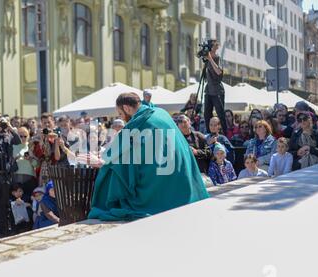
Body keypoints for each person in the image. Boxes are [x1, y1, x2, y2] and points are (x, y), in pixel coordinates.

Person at [82, 92, 209, 221]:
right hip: (187, 180)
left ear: (126, 108)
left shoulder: (139, 122)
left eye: (120, 113)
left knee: (114, 172)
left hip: (163, 184)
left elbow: (125, 152)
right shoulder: (160, 112)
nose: (122, 118)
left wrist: (102, 161)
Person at [203, 39, 227, 135]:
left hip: (217, 90)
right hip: (209, 89)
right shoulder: (207, 59)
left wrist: (210, 59)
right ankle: (210, 134)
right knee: (206, 114)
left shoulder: (217, 58)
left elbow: (219, 72)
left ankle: (224, 134)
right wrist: (207, 58)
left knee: (220, 114)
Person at [13, 127, 38, 197]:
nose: (23, 138)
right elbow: (10, 162)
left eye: (25, 136)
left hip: (29, 178)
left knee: (29, 199)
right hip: (16, 177)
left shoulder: (31, 146)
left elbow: (36, 164)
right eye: (20, 136)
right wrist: (16, 157)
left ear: (28, 136)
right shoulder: (13, 146)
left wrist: (30, 159)